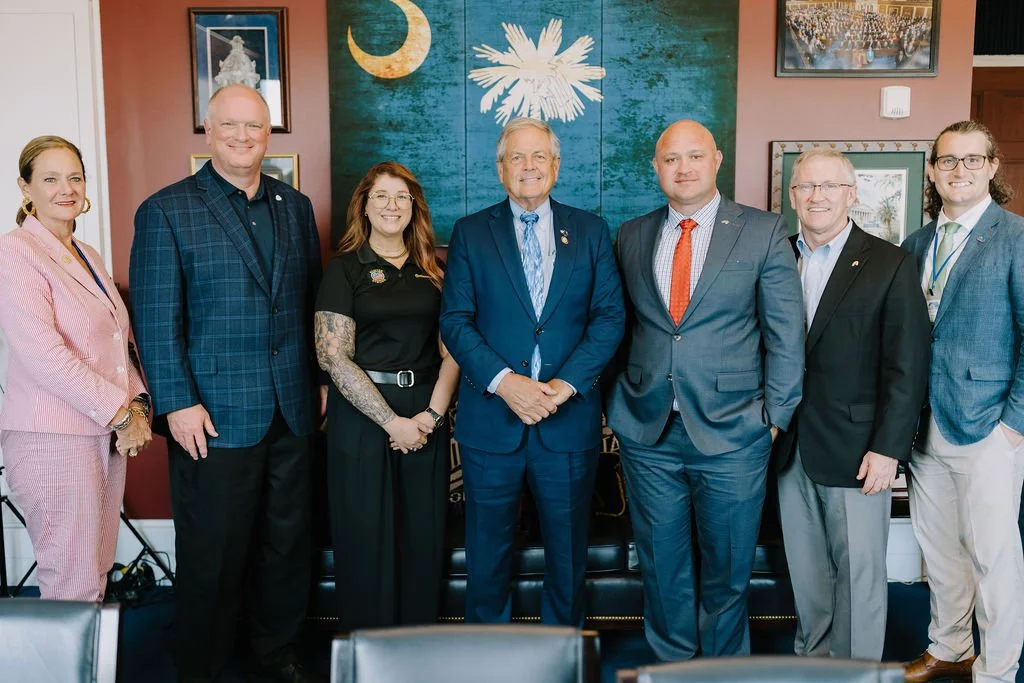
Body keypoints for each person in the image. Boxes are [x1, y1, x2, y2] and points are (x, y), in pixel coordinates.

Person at [129, 85, 323, 683]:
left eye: (255, 127)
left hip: (291, 407)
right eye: (231, 126)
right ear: (208, 132)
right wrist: (178, 402)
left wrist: (315, 382)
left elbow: (308, 303)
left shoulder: (295, 205)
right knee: (213, 551)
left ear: (270, 135)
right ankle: (205, 664)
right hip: (210, 414)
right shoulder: (166, 210)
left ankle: (277, 652)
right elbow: (157, 320)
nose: (244, 137)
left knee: (286, 543)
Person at [606, 119, 804, 660]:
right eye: (671, 159)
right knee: (661, 565)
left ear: (717, 160)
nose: (684, 168)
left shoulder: (763, 230)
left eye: (695, 156)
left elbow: (785, 333)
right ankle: (670, 665)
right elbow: (617, 327)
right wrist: (615, 403)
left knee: (728, 569)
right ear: (656, 168)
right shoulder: (631, 234)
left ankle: (722, 672)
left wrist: (775, 417)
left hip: (736, 430)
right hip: (648, 430)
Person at [439, 117, 624, 626]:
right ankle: (489, 661)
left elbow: (609, 319)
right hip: (492, 424)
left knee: (567, 557)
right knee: (487, 554)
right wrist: (507, 384)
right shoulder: (471, 233)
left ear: (556, 165)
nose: (528, 167)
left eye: (538, 156)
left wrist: (563, 387)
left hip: (566, 423)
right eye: (516, 157)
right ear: (500, 168)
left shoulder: (589, 231)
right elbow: (455, 321)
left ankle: (560, 656)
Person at [773, 148, 930, 661]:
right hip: (788, 446)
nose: (816, 196)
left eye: (829, 186)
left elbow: (907, 366)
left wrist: (889, 450)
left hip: (860, 450)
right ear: (792, 195)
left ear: (851, 194)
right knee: (808, 575)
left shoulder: (889, 262)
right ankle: (812, 668)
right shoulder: (777, 256)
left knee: (859, 578)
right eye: (806, 187)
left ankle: (858, 674)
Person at [0, 135, 151, 601]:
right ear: (25, 188)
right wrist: (122, 414)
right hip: (52, 439)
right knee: (71, 580)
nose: (66, 188)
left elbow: (117, 341)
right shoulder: (15, 252)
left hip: (100, 435)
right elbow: (44, 355)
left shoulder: (88, 254)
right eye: (50, 178)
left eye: (74, 177)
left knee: (95, 570)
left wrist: (139, 407)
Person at [901, 120, 1024, 683]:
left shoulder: (1016, 237)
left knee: (994, 557)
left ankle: (997, 669)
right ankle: (949, 646)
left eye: (973, 160)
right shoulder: (916, 243)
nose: (960, 170)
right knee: (941, 551)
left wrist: (1014, 423)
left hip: (988, 424)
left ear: (993, 168)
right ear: (932, 171)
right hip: (923, 423)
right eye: (948, 160)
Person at [314, 161, 459, 630]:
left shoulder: (432, 270)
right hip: (361, 420)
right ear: (365, 206)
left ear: (414, 207)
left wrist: (430, 417)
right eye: (381, 196)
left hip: (425, 416)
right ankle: (368, 650)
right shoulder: (345, 269)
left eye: (402, 197)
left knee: (422, 538)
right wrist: (391, 423)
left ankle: (415, 651)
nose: (392, 205)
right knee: (366, 539)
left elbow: (453, 349)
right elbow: (334, 357)